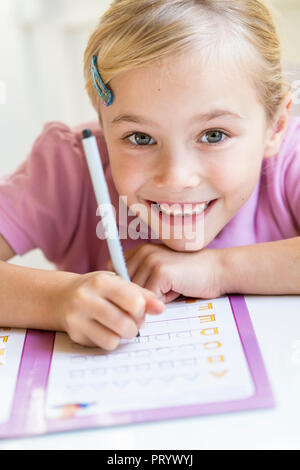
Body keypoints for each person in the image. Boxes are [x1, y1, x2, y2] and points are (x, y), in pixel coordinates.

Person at [0, 0, 299, 350]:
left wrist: (218, 270)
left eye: (214, 135)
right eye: (140, 138)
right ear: (102, 122)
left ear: (275, 126)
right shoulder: (70, 169)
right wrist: (56, 301)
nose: (175, 177)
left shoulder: (288, 159)